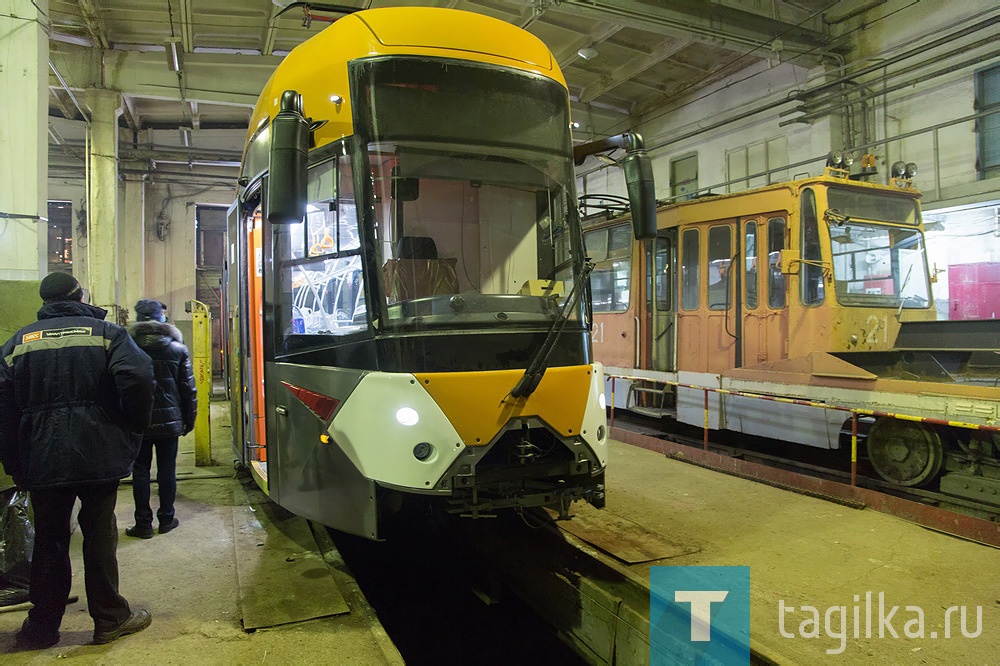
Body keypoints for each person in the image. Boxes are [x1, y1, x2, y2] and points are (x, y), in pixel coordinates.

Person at [0, 272, 155, 649]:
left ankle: (42, 627)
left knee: (50, 539)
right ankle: (109, 619)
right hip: (98, 453)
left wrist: (14, 460)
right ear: (79, 295)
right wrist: (128, 428)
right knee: (99, 533)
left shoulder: (18, 342)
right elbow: (137, 377)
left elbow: (3, 408)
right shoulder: (105, 334)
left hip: (42, 456)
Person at [125, 299, 196, 539]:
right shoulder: (177, 348)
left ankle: (143, 524)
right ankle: (166, 519)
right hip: (170, 421)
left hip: (137, 421)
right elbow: (188, 388)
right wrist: (189, 419)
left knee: (141, 471)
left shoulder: (127, 347)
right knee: (167, 470)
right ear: (161, 318)